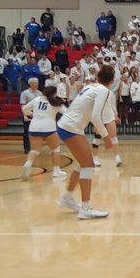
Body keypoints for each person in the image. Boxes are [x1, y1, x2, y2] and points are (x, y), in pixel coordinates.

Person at [55, 64, 116, 220]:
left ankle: (67, 197)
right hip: (71, 127)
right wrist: (107, 137)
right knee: (88, 165)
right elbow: (96, 117)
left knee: (84, 163)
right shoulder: (104, 91)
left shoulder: (91, 87)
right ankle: (86, 208)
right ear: (112, 80)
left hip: (68, 125)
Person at [21, 83, 68, 181]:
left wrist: (33, 115)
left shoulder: (37, 100)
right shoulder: (55, 103)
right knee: (55, 149)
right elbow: (67, 113)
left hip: (34, 127)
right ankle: (56, 171)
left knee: (34, 150)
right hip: (49, 128)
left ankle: (28, 164)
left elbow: (24, 109)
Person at [19, 77, 41, 155]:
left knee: (37, 132)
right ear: (30, 84)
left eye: (37, 83)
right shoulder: (25, 93)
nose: (37, 84)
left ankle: (35, 147)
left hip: (37, 114)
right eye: (35, 83)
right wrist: (25, 116)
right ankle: (27, 148)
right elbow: (22, 105)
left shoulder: (39, 93)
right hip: (28, 113)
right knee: (27, 132)